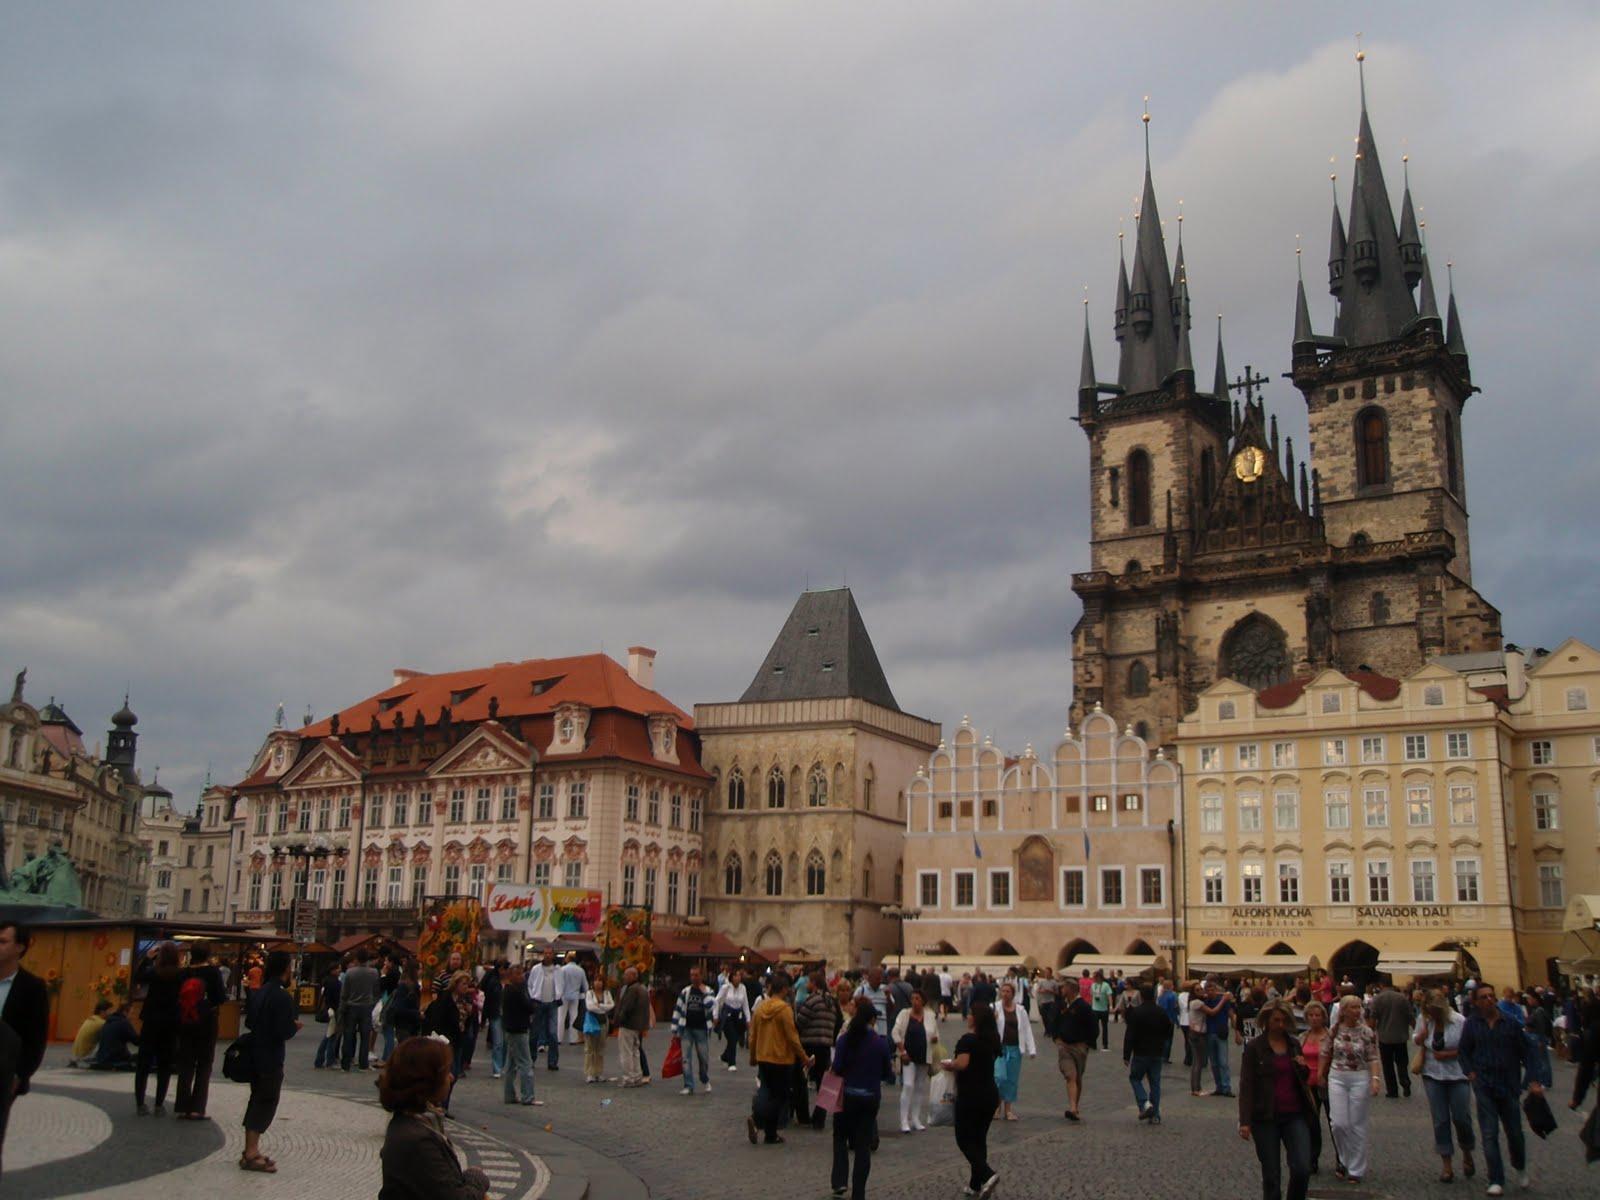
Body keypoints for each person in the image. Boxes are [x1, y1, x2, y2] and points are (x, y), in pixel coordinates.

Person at [377, 1035, 491, 1199]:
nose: (451, 1077)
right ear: (427, 1080)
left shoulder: (415, 1123)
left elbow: (435, 1184)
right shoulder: (417, 1139)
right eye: (445, 1072)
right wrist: (476, 1180)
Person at [1459, 981, 1540, 1196]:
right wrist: (1470, 1072)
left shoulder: (1510, 1023)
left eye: (1491, 996)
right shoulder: (1472, 1024)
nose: (1489, 1000)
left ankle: (1520, 1166)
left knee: (1514, 1132)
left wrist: (1532, 1079)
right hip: (1484, 1084)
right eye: (1484, 997)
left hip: (1509, 1084)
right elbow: (1464, 1051)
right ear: (1475, 1002)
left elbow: (1527, 1051)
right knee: (1489, 1133)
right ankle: (1496, 1179)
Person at [1238, 999, 1315, 1200]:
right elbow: (1247, 1084)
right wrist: (1245, 1121)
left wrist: (1303, 1067)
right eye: (1276, 1020)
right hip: (1265, 1116)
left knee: (1302, 1168)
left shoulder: (1294, 1044)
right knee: (1271, 1174)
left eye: (1283, 1021)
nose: (1280, 1025)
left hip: (1295, 1114)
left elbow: (1304, 1078)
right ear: (1266, 1021)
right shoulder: (1255, 1048)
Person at [241, 950, 300, 1172]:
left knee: (256, 1098)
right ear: (286, 969)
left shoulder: (260, 992)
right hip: (271, 1055)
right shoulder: (282, 996)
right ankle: (251, 1152)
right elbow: (284, 1031)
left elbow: (249, 1021)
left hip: (254, 1051)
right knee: (266, 1101)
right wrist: (293, 1026)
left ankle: (250, 1148)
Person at [828, 999, 893, 1200]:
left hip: (846, 1097)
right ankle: (859, 1192)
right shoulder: (879, 1043)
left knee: (840, 1138)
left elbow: (837, 1067)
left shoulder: (844, 1040)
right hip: (869, 1098)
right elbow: (887, 1073)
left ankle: (839, 1181)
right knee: (863, 1146)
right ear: (873, 1020)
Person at [0, 921, 49, 1177]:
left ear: (20, 947)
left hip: (5, 1077)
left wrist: (19, 1076)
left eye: (3, 942)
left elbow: (36, 1038)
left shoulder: (32, 988)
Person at [1413, 987, 1475, 1183]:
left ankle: (1467, 1152)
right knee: (1440, 1120)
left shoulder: (1459, 1021)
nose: (1434, 1014)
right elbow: (1416, 1040)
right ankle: (1446, 1164)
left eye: (1436, 1010)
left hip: (1458, 1074)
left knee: (1461, 1117)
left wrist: (1448, 1055)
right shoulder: (1425, 1019)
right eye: (1430, 1010)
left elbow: (1469, 1047)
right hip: (1432, 1074)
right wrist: (1422, 1032)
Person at [1320, 994, 1379, 1186]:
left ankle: (1356, 1168)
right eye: (1353, 1007)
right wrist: (1320, 1073)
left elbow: (1373, 1057)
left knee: (1357, 1124)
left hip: (1359, 1077)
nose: (1357, 1010)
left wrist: (1375, 1079)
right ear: (1344, 1011)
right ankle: (1344, 1158)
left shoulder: (1367, 1032)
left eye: (1358, 1007)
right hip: (1337, 1076)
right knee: (1338, 1123)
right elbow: (1325, 1052)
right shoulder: (1335, 1030)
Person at [943, 1000, 1001, 1197]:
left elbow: (963, 1064)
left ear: (976, 1019)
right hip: (990, 1094)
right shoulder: (992, 1041)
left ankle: (988, 1174)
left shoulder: (968, 1040)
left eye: (970, 1014)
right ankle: (975, 1185)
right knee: (979, 1139)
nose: (967, 1017)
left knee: (964, 1139)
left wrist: (949, 1064)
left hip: (971, 1095)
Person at [748, 971, 810, 1145]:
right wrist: (804, 1057)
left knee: (768, 1093)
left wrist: (753, 1056)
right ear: (783, 989)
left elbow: (753, 1036)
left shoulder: (760, 1009)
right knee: (780, 1097)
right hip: (781, 1059)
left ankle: (771, 1134)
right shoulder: (784, 1010)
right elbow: (792, 1038)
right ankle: (757, 1119)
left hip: (763, 1057)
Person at [174, 942, 227, 1119]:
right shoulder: (213, 972)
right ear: (207, 954)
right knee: (204, 1064)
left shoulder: (183, 973)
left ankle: (182, 1106)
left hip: (185, 1020)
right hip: (207, 1021)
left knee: (186, 1063)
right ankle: (197, 1108)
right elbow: (220, 997)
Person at [134, 941, 182, 1115]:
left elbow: (138, 976)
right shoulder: (180, 975)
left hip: (151, 1020)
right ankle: (159, 1104)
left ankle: (140, 1102)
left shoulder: (154, 973)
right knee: (165, 1064)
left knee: (143, 1064)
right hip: (171, 1022)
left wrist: (147, 959)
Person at [422, 971, 476, 1109]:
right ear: (455, 984)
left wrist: (470, 1014)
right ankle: (439, 1103)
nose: (466, 987)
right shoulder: (445, 998)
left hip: (458, 1040)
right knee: (448, 1073)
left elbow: (467, 1022)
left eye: (467, 984)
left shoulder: (465, 1000)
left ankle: (444, 1104)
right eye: (463, 984)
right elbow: (438, 1019)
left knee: (455, 1073)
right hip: (446, 1040)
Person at [798, 969, 843, 1128]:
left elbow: (800, 1021)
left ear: (814, 984)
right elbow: (840, 1021)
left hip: (810, 1044)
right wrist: (831, 1035)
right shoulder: (833, 1001)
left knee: (800, 1079)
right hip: (825, 1045)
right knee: (823, 1083)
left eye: (809, 982)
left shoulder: (813, 1000)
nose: (807, 985)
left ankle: (802, 1115)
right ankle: (819, 1118)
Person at [892, 987, 938, 1132]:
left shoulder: (930, 1015)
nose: (914, 1001)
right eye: (913, 998)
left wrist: (935, 1039)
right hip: (908, 1056)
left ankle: (916, 1118)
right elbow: (895, 1032)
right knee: (908, 1085)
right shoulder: (904, 1014)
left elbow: (935, 1033)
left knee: (919, 1087)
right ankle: (904, 1120)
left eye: (917, 999)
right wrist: (902, 1051)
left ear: (923, 1001)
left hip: (924, 1056)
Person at [1123, 984, 1169, 1124]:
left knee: (1135, 1078)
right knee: (1155, 1082)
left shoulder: (1136, 1013)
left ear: (1141, 996)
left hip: (1141, 1052)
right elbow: (1168, 1030)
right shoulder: (1161, 1012)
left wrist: (1126, 1054)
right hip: (1157, 1052)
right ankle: (1155, 1115)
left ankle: (1145, 1103)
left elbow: (1130, 1034)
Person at [499, 962, 542, 1106]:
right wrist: (534, 1006)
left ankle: (509, 1095)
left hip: (511, 1029)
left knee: (511, 1064)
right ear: (511, 976)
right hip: (518, 1030)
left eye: (522, 973)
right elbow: (528, 1007)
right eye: (518, 974)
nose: (522, 976)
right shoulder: (515, 991)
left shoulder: (509, 989)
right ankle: (528, 1096)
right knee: (525, 1063)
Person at [1297, 1000, 1332, 1174]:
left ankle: (1342, 1158)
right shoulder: (1303, 1037)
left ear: (1323, 1017)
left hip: (1327, 1083)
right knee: (1311, 1123)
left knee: (1335, 1122)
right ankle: (1312, 1158)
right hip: (1307, 1085)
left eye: (1317, 1015)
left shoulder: (1330, 1036)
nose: (1314, 1018)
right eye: (1311, 1015)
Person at [993, 982, 1036, 1121]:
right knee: (999, 1077)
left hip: (1015, 1048)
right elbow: (985, 1026)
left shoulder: (1020, 1010)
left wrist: (1032, 1049)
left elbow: (1026, 1028)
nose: (1005, 994)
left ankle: (1008, 1110)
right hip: (999, 1048)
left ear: (1013, 994)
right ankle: (996, 1107)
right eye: (1003, 991)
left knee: (1011, 1080)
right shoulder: (994, 1008)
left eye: (1008, 991)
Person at [671, 965, 715, 1096]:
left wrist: (704, 992)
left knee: (703, 1058)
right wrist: (674, 1028)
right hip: (686, 1028)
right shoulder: (685, 991)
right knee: (685, 1058)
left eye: (696, 975)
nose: (694, 978)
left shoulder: (709, 991)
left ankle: (704, 1078)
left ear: (702, 976)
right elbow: (678, 1009)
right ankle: (688, 1085)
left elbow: (711, 1006)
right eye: (692, 975)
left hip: (701, 1029)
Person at [1370, 980, 1414, 1099]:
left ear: (1381, 985)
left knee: (1387, 1065)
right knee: (1402, 1063)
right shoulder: (1402, 998)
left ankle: (1392, 1090)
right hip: (1400, 1036)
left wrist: (1371, 1033)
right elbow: (1410, 1015)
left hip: (1385, 1037)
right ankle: (1405, 1082)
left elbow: (1373, 1018)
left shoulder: (1377, 999)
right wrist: (1415, 1028)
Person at [340, 947, 380, 1072]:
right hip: (366, 1006)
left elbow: (344, 993)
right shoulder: (374, 972)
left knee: (348, 1035)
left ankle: (345, 1064)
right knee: (365, 1036)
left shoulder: (350, 973)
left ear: (356, 958)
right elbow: (376, 991)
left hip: (351, 1006)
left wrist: (342, 1007)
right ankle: (363, 1064)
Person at [524, 946, 564, 1071]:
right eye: (545, 953)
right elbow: (530, 985)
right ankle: (531, 1059)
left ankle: (552, 1061)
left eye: (549, 953)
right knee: (534, 1033)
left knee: (553, 1033)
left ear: (553, 955)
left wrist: (558, 995)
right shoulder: (536, 969)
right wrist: (533, 997)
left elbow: (561, 984)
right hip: (538, 1003)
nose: (547, 955)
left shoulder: (558, 970)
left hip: (552, 1002)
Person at [614, 967, 651, 1088]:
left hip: (628, 1025)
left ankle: (628, 1078)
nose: (624, 977)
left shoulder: (632, 990)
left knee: (626, 1052)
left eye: (626, 975)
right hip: (639, 1026)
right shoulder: (643, 988)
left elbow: (627, 1008)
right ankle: (637, 1076)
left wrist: (618, 1020)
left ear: (633, 976)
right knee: (635, 1052)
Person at [1201, 979, 1235, 1096]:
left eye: (1212, 990)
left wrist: (1236, 1030)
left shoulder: (1222, 1000)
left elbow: (1231, 1014)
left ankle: (1226, 1087)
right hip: (1210, 1033)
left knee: (1223, 1061)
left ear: (1216, 990)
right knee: (1214, 1063)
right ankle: (1219, 1086)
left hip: (1221, 1033)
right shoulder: (1205, 1001)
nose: (1210, 992)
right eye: (1208, 990)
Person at [714, 966, 751, 1071]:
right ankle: (732, 1062)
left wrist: (748, 1018)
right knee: (732, 1037)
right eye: (736, 975)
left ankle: (725, 1056)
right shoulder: (726, 987)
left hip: (738, 1015)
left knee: (735, 1038)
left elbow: (745, 1004)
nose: (738, 978)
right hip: (728, 1015)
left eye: (739, 975)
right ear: (731, 977)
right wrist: (715, 1015)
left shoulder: (743, 988)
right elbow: (717, 1000)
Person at [313, 960, 344, 1069]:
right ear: (333, 970)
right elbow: (337, 999)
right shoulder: (335, 983)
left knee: (329, 1035)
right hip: (334, 1010)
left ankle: (320, 1060)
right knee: (331, 1036)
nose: (340, 970)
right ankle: (328, 1060)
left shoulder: (326, 981)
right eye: (338, 968)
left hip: (329, 1009)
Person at [93, 1002, 140, 1069]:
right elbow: (136, 1041)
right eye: (131, 1013)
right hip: (115, 1058)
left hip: (102, 1057)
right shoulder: (123, 1022)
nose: (132, 1016)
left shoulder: (109, 1021)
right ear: (125, 1012)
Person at [478, 961, 503, 1079]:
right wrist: (484, 1017)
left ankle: (504, 1066)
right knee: (498, 1042)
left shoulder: (513, 982)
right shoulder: (494, 982)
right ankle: (497, 1068)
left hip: (509, 1016)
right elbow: (488, 1000)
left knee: (507, 1043)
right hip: (496, 1014)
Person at [388, 959, 423, 1043]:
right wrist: (417, 1013)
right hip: (404, 1027)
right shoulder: (404, 986)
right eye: (420, 969)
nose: (422, 972)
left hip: (412, 1026)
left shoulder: (415, 986)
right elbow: (399, 1008)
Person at [71, 999, 113, 1067]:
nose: (111, 1013)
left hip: (75, 1055)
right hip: (86, 1056)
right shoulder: (102, 1023)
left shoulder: (91, 1019)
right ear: (102, 1011)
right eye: (110, 1010)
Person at [560, 952, 588, 1046]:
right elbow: (585, 985)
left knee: (561, 1017)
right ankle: (573, 1039)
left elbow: (559, 983)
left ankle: (559, 1038)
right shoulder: (580, 970)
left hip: (563, 995)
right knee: (574, 1016)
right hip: (575, 995)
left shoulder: (562, 969)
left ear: (567, 959)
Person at [854, 968, 890, 1038]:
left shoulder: (885, 989)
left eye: (881, 978)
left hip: (882, 1030)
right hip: (866, 1030)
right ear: (870, 978)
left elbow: (891, 1008)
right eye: (877, 979)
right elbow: (853, 1005)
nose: (880, 981)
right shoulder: (861, 990)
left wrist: (888, 997)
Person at [1089, 970, 1112, 1050]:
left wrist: (1111, 1005)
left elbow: (1109, 996)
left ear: (1099, 977)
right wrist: (1090, 1006)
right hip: (1095, 1009)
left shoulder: (1106, 985)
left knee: (1105, 1028)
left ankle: (1105, 1044)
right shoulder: (1093, 985)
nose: (1093, 979)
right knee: (1094, 1027)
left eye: (1094, 977)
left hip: (1104, 1009)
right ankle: (1093, 1043)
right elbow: (1091, 996)